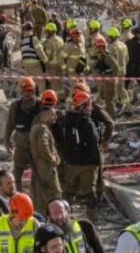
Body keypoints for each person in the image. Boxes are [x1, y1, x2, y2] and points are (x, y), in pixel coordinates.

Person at [59, 91, 102, 220]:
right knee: (91, 193)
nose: (92, 108)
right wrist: (97, 162)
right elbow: (94, 144)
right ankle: (92, 218)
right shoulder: (87, 123)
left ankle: (64, 216)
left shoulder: (66, 121)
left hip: (71, 164)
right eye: (89, 105)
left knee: (69, 191)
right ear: (82, 106)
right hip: (88, 164)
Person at [5, 77, 40, 191]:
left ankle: (36, 196)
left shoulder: (40, 106)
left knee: (38, 173)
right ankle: (18, 195)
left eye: (29, 90)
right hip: (20, 143)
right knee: (17, 172)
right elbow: (9, 124)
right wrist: (7, 141)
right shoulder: (15, 106)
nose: (27, 93)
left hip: (35, 145)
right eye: (24, 91)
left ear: (33, 91)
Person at [29, 105, 61, 213]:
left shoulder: (35, 128)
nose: (55, 117)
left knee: (41, 196)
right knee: (54, 193)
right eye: (52, 115)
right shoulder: (43, 129)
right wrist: (51, 157)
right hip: (46, 168)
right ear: (44, 117)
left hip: (39, 167)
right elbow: (43, 146)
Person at [91, 36, 120, 111]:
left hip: (109, 80)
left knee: (108, 100)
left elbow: (116, 68)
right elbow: (97, 67)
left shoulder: (108, 57)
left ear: (102, 48)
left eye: (97, 47)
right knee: (102, 95)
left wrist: (112, 78)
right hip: (104, 80)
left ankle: (111, 117)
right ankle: (116, 105)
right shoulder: (100, 57)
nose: (96, 49)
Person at [20, 22, 48, 93]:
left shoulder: (23, 40)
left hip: (25, 65)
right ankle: (42, 100)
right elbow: (40, 51)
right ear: (32, 29)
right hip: (34, 64)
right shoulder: (34, 38)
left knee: (30, 83)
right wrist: (46, 62)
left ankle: (33, 98)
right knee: (41, 82)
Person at [43, 22, 65, 94]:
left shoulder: (50, 41)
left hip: (52, 65)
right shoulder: (60, 39)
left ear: (51, 31)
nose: (46, 34)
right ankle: (62, 97)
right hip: (60, 64)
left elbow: (48, 55)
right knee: (60, 81)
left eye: (47, 32)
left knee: (54, 82)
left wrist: (44, 63)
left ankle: (55, 98)